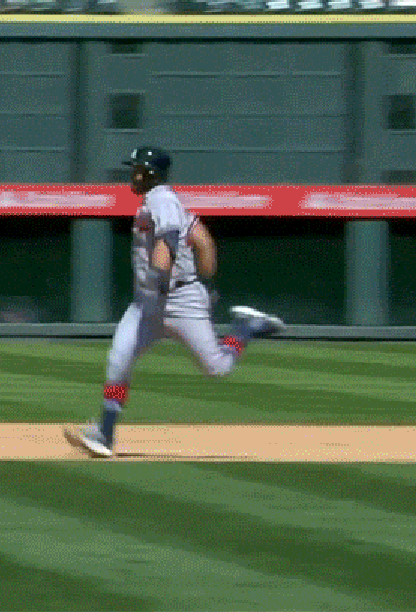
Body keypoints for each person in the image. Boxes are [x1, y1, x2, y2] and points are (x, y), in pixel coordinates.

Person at [67, 147, 285, 458]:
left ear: (151, 173)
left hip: (180, 302)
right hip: (147, 304)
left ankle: (247, 328)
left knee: (217, 367)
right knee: (119, 360)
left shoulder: (162, 199)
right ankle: (105, 433)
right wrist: (206, 280)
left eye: (137, 169)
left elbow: (168, 241)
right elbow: (203, 239)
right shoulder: (157, 202)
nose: (132, 174)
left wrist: (166, 272)